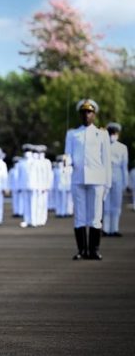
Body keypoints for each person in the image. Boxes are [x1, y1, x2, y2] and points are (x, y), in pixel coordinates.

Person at [64, 99, 111, 260]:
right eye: (83, 112)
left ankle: (94, 250)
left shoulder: (102, 133)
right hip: (78, 178)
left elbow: (106, 160)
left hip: (97, 179)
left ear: (94, 114)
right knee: (80, 216)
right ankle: (82, 250)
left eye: (89, 112)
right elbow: (68, 155)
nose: (86, 115)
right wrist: (67, 161)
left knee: (95, 216)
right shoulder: (72, 134)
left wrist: (108, 184)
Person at [103, 122, 128, 237]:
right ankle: (105, 229)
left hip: (118, 176)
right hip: (105, 176)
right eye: (111, 132)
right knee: (106, 204)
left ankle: (114, 228)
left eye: (114, 133)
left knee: (116, 204)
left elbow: (124, 166)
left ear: (117, 134)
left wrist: (125, 182)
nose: (112, 135)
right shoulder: (103, 145)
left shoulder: (122, 147)